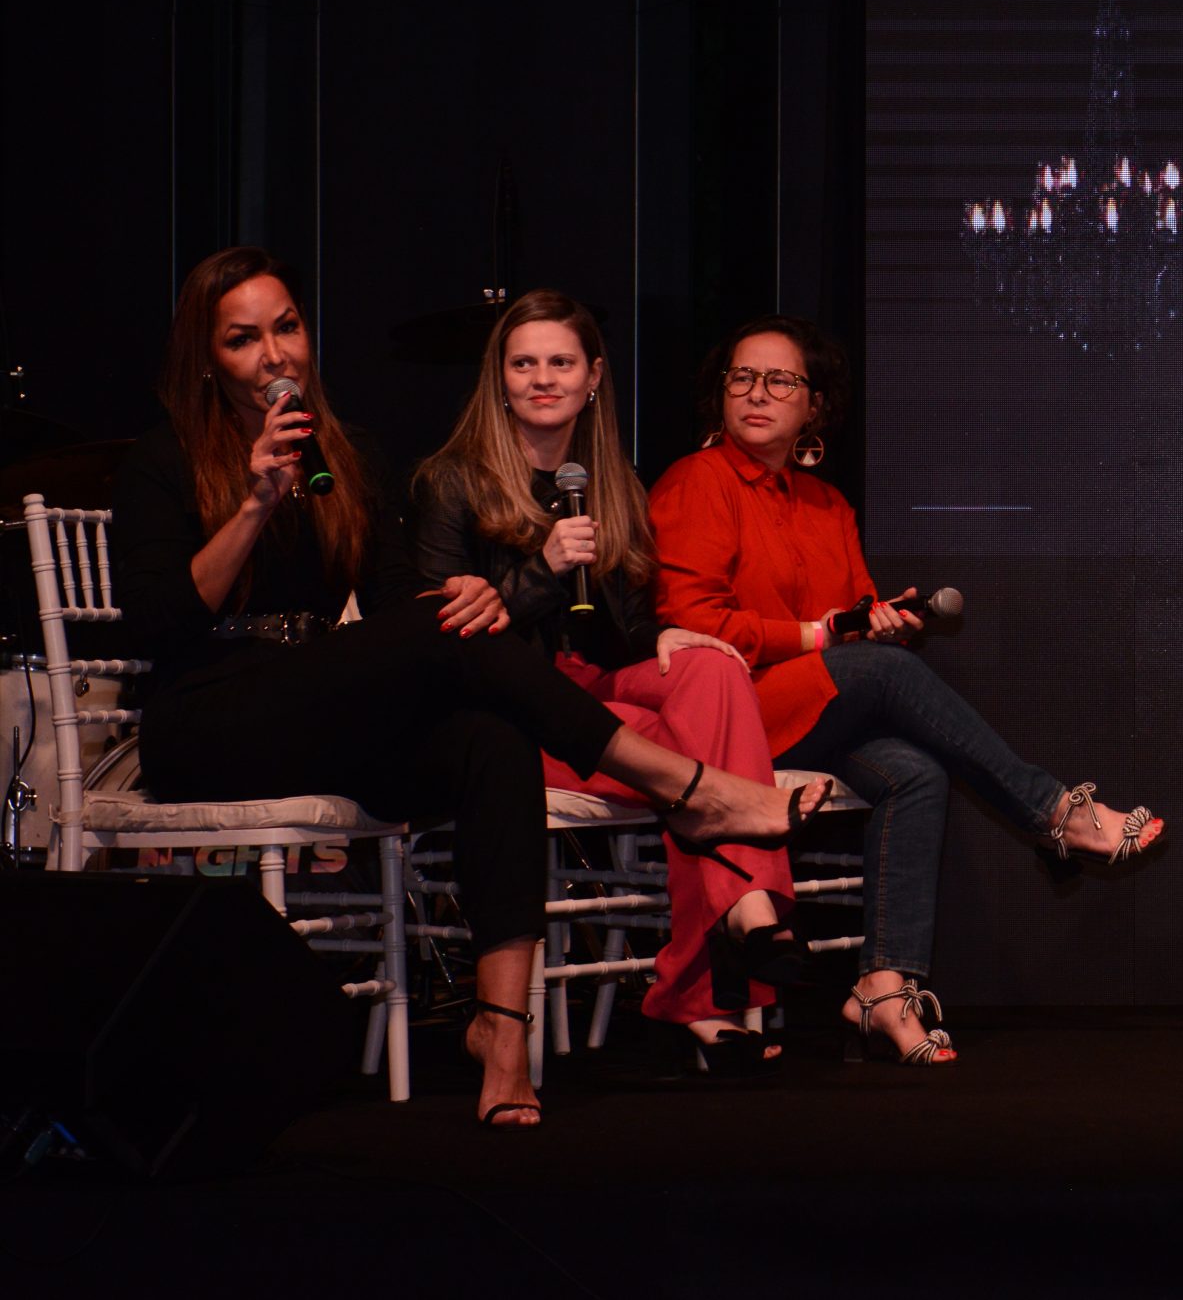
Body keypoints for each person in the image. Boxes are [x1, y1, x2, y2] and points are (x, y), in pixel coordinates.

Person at [116, 248, 812, 1127]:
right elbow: (158, 624)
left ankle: (502, 1030)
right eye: (244, 339)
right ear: (208, 357)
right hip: (208, 715)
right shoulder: (163, 457)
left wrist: (476, 594)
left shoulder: (345, 455)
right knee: (445, 633)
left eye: (285, 327)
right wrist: (255, 503)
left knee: (492, 733)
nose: (274, 355)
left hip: (317, 712)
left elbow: (406, 598)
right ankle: (684, 786)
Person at [649, 315, 1165, 1065]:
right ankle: (1055, 811)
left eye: (780, 380)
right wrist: (823, 636)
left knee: (917, 774)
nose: (758, 393)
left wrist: (884, 623)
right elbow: (694, 622)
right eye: (742, 377)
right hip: (724, 716)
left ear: (815, 405)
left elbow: (848, 624)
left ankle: (884, 987)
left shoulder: (827, 505)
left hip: (809, 708)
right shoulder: (697, 481)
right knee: (885, 677)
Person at [412, 289, 807, 1075]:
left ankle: (734, 924)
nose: (543, 379)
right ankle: (724, 948)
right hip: (506, 716)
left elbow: (624, 634)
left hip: (591, 689)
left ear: (594, 375)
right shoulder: (448, 480)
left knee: (711, 671)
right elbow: (436, 639)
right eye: (523, 363)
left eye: (561, 362)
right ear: (499, 378)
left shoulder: (611, 478)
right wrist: (545, 570)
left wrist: (673, 633)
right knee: (708, 764)